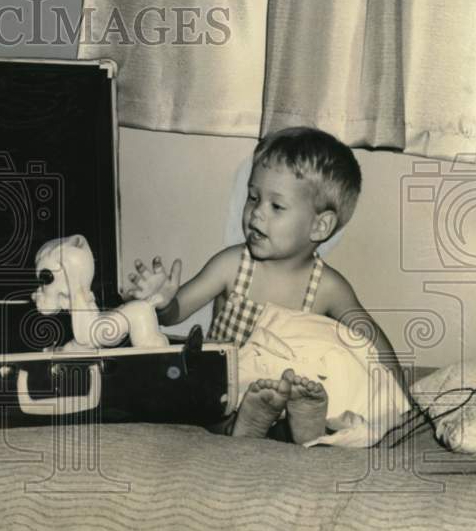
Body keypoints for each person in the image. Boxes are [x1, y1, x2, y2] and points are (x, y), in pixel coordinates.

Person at [127, 126, 406, 443]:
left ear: (320, 225)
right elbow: (175, 314)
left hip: (282, 392)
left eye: (276, 206)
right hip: (227, 389)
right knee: (192, 397)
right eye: (253, 197)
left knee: (311, 390)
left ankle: (297, 424)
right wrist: (162, 302)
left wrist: (397, 391)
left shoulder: (327, 286)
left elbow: (367, 336)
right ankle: (243, 423)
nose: (256, 213)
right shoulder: (232, 265)